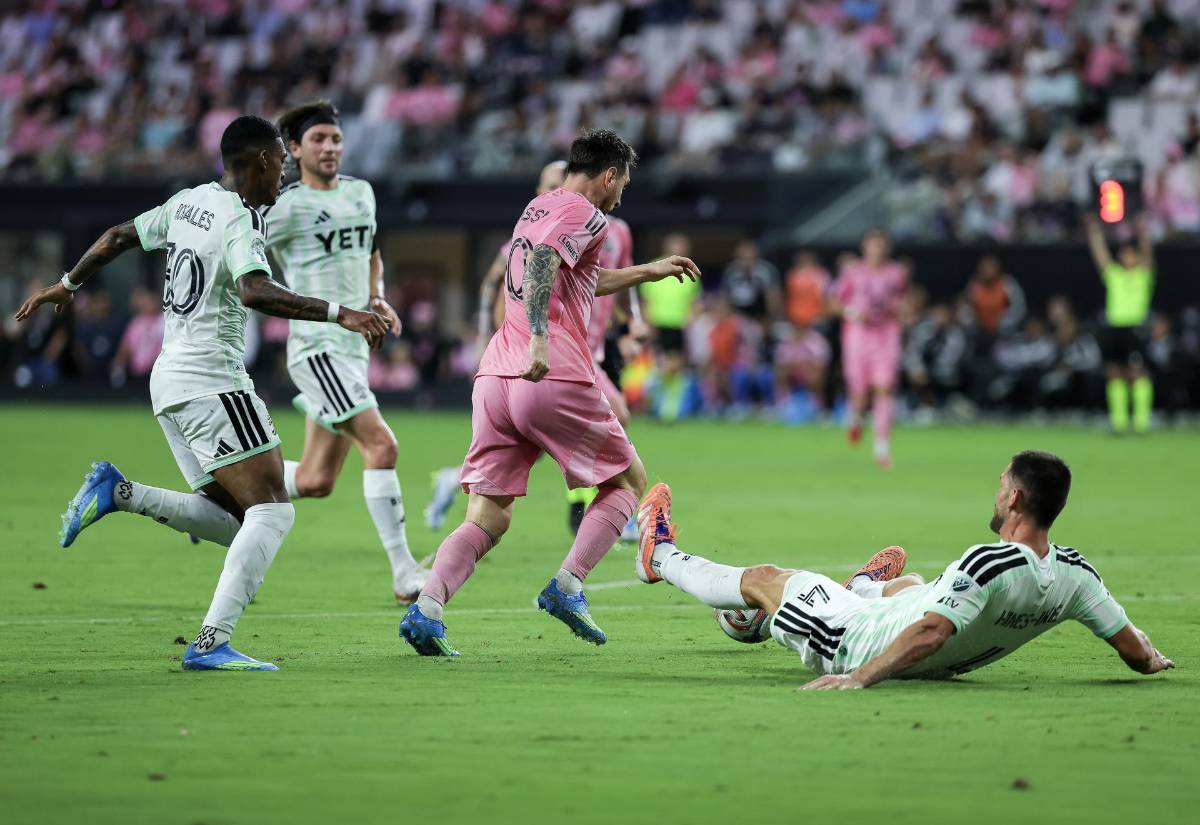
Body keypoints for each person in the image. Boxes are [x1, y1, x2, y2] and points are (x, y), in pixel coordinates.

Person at [13, 115, 389, 670]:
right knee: (274, 513)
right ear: (260, 161)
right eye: (281, 163)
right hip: (213, 379)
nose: (283, 174)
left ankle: (119, 493)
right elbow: (254, 290)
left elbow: (118, 236)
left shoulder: (187, 202)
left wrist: (66, 285)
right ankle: (211, 643)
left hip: (168, 383)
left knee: (235, 520)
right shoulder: (240, 218)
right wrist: (342, 313)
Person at [399, 129, 700, 656]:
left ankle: (427, 607)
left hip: (495, 378)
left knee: (488, 515)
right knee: (628, 481)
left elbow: (575, 275)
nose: (622, 194)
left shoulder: (538, 206)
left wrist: (647, 272)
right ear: (608, 175)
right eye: (623, 182)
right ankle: (569, 585)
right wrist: (540, 337)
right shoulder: (588, 213)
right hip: (550, 370)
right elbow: (543, 265)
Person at [634, 451, 1174, 689]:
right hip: (934, 660)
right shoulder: (1077, 575)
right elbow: (1135, 652)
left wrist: (858, 677)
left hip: (857, 643)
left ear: (1014, 498)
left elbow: (932, 632)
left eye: (1000, 484)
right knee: (922, 587)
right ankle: (867, 586)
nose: (996, 491)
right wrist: (1154, 659)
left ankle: (657, 555)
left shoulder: (988, 560)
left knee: (768, 579)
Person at [260, 101, 426, 603]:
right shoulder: (283, 208)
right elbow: (243, 261)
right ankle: (403, 573)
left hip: (352, 350)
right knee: (383, 446)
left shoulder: (361, 192)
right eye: (318, 140)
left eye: (335, 138)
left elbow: (371, 252)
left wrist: (377, 296)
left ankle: (225, 490)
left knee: (315, 481)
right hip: (317, 348)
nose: (329, 147)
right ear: (294, 149)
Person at [423, 160, 568, 533]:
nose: (558, 191)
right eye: (551, 185)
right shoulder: (525, 237)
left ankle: (455, 483)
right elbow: (491, 283)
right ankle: (620, 509)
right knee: (560, 430)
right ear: (538, 191)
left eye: (563, 184)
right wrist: (486, 333)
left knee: (532, 442)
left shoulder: (571, 228)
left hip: (558, 346)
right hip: (521, 347)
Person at [831, 229, 908, 468]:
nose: (877, 250)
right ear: (865, 247)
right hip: (858, 335)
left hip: (886, 334)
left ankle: (881, 449)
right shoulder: (853, 273)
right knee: (859, 392)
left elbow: (905, 300)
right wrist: (851, 312)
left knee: (884, 388)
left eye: (881, 245)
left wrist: (904, 312)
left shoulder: (896, 273)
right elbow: (833, 302)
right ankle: (855, 419)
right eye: (873, 245)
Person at [1085, 214, 1155, 434]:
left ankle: (1141, 423)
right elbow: (1101, 257)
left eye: (1130, 254)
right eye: (1124, 254)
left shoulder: (1143, 275)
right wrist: (1095, 233)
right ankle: (1119, 423)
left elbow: (1148, 255)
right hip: (1113, 328)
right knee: (1114, 373)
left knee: (1137, 374)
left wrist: (1143, 233)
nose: (1127, 257)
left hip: (1134, 327)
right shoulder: (1115, 275)